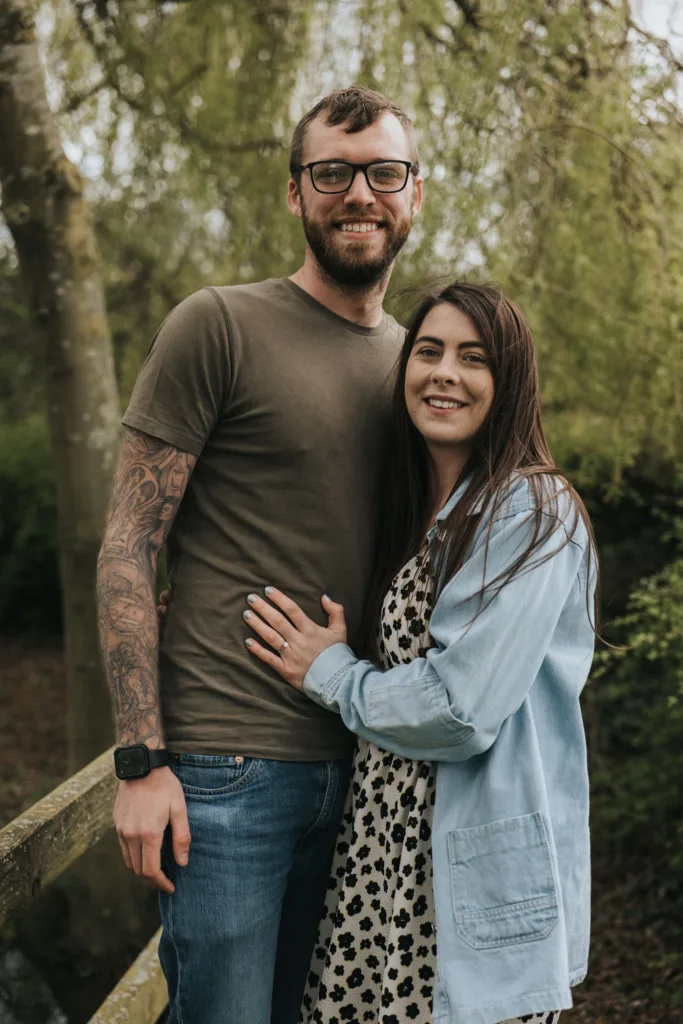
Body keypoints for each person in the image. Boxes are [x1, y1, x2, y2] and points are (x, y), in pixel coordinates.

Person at [96, 85, 423, 1024]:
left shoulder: (418, 366)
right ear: (295, 193)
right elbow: (128, 547)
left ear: (413, 192)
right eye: (332, 173)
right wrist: (139, 761)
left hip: (366, 769)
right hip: (223, 771)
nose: (358, 194)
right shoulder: (219, 324)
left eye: (382, 173)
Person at [241, 282, 597, 1024]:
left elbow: (458, 711)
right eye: (427, 351)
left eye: (473, 358)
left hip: (461, 886)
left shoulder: (532, 510)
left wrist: (329, 673)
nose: (444, 372)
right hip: (378, 865)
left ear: (509, 384)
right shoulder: (418, 509)